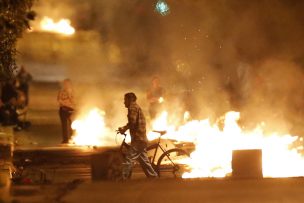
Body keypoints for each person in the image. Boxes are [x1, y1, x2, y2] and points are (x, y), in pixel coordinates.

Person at [118, 92, 158, 179]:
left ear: (130, 99)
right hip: (141, 138)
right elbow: (133, 122)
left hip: (138, 138)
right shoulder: (135, 107)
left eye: (125, 100)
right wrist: (124, 128)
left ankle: (122, 178)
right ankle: (153, 177)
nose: (124, 102)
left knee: (129, 158)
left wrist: (124, 129)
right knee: (144, 161)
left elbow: (132, 122)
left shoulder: (132, 107)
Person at [57, 78, 75, 144]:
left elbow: (74, 100)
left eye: (67, 83)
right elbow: (59, 100)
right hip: (63, 109)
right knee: (64, 125)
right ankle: (65, 139)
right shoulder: (61, 91)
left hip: (70, 109)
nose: (66, 85)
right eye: (65, 83)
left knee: (72, 125)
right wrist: (64, 104)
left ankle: (73, 138)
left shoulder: (72, 91)